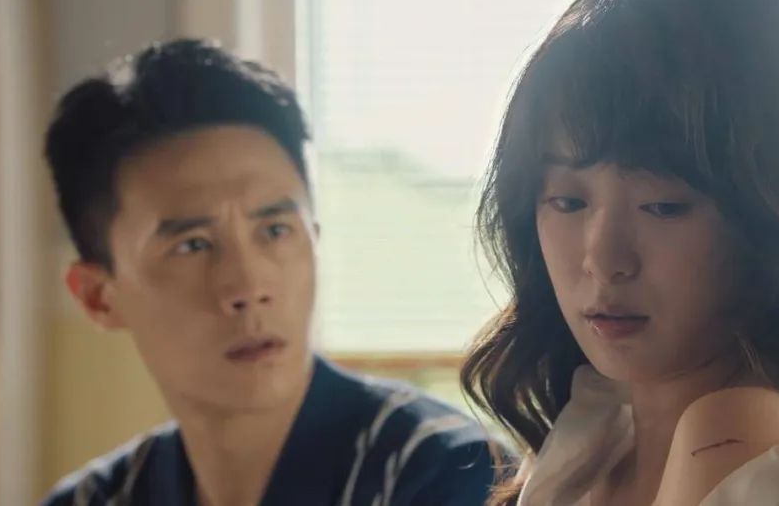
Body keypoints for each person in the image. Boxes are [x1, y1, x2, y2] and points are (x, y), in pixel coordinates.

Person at [460, 0, 779, 505]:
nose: (603, 259)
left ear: (774, 217)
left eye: (663, 206)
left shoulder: (737, 427)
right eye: (568, 202)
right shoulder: (597, 421)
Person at [41, 39, 497, 506]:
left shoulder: (448, 472)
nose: (249, 286)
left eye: (276, 230)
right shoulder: (92, 500)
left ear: (314, 236)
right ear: (98, 296)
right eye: (192, 245)